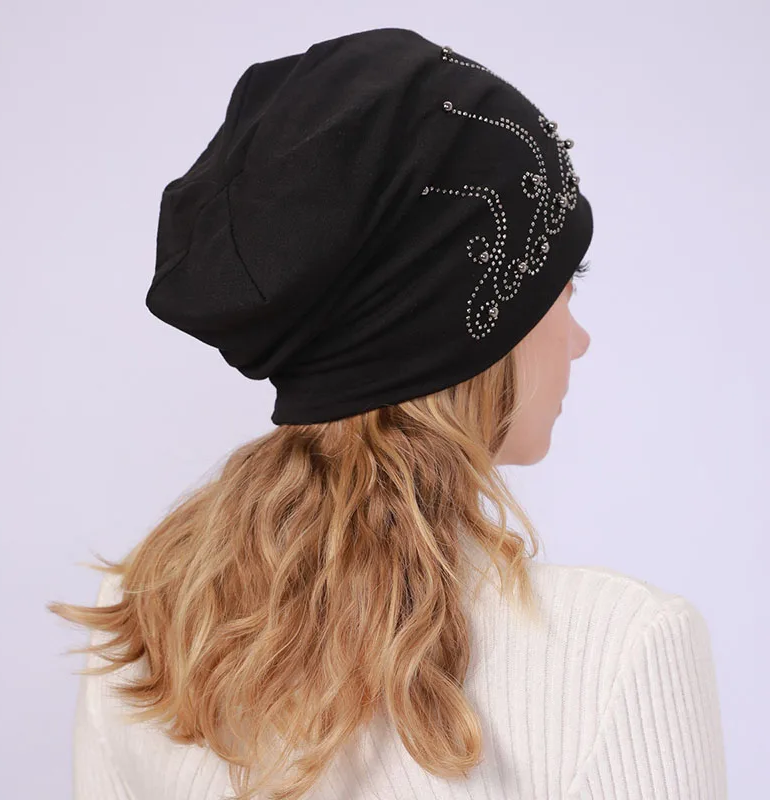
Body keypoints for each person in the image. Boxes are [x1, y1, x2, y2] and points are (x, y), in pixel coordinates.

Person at [48, 27, 728, 800]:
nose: (577, 338)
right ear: (464, 327)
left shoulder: (145, 623)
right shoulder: (624, 648)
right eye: (561, 287)